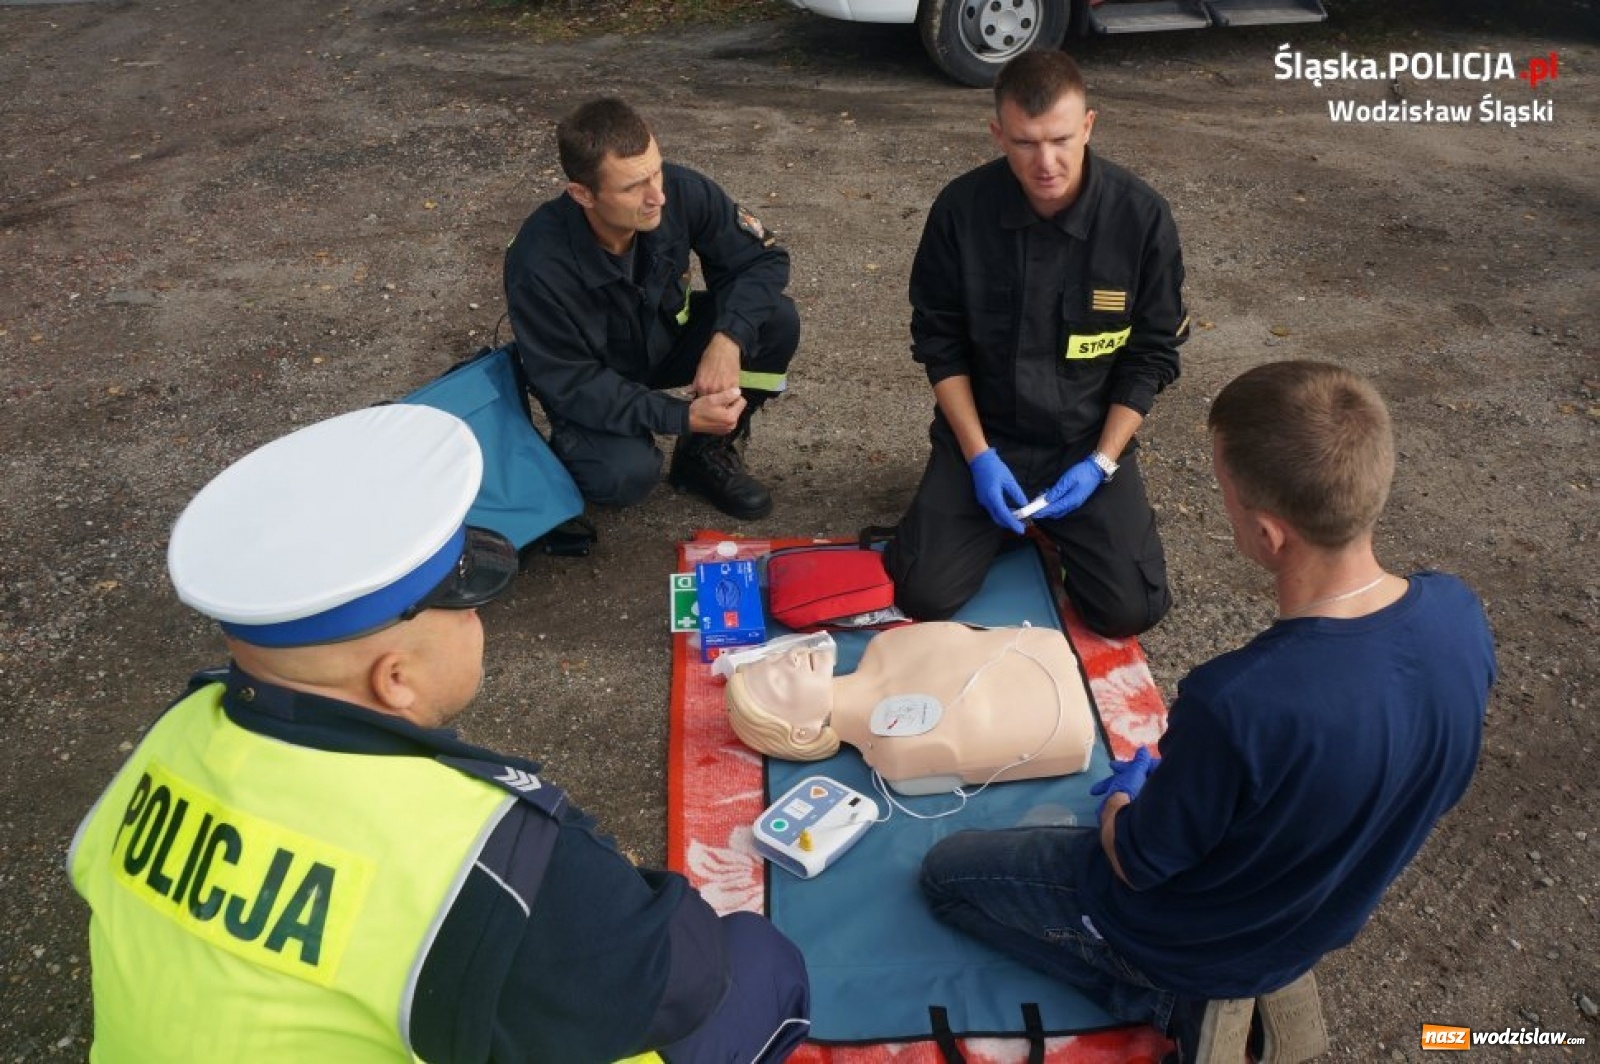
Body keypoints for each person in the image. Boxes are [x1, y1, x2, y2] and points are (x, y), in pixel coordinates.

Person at [67, 404, 810, 1063]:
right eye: (465, 598)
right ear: (394, 677)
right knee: (757, 960)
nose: (479, 617)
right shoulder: (485, 854)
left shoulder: (178, 731)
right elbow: (677, 977)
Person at [918, 361, 1496, 1062]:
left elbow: (1136, 863)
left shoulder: (1239, 701)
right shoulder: (1459, 614)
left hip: (1185, 940)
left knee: (947, 877)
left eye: (1222, 487)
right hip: (1317, 915)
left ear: (1268, 534)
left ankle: (1158, 1000)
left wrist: (1125, 802)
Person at [883, 50, 1188, 638]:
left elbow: (1152, 355)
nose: (1046, 162)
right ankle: (998, 515)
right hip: (987, 437)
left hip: (1085, 442)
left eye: (1061, 139)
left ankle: (1050, 523)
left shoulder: (1142, 220)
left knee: (1131, 611)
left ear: (1089, 126)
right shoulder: (960, 211)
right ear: (998, 133)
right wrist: (977, 455)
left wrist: (1101, 462)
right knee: (923, 592)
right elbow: (938, 341)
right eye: (1024, 143)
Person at [504, 97, 800, 521]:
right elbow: (571, 381)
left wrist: (727, 338)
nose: (657, 196)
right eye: (631, 187)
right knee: (623, 476)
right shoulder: (537, 264)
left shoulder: (680, 191)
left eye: (656, 170)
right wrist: (679, 415)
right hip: (595, 381)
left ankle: (703, 454)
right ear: (582, 194)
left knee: (774, 320)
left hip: (661, 345)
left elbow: (761, 260)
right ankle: (574, 452)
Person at [725, 623, 1096, 795]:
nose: (790, 657)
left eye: (775, 659)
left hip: (1049, 649)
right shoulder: (898, 756)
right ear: (802, 731)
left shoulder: (887, 644)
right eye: (778, 681)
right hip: (1069, 725)